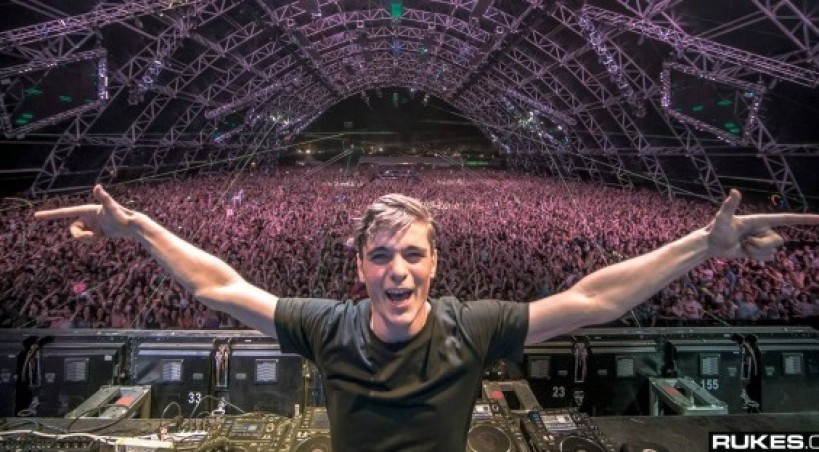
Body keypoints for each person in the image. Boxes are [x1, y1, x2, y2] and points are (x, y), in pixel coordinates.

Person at [35, 185, 818, 451]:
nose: (397, 270)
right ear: (359, 267)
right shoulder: (326, 326)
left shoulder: (469, 326)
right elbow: (220, 286)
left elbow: (593, 299)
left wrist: (699, 244)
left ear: (433, 264)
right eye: (380, 256)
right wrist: (141, 228)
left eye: (411, 254)